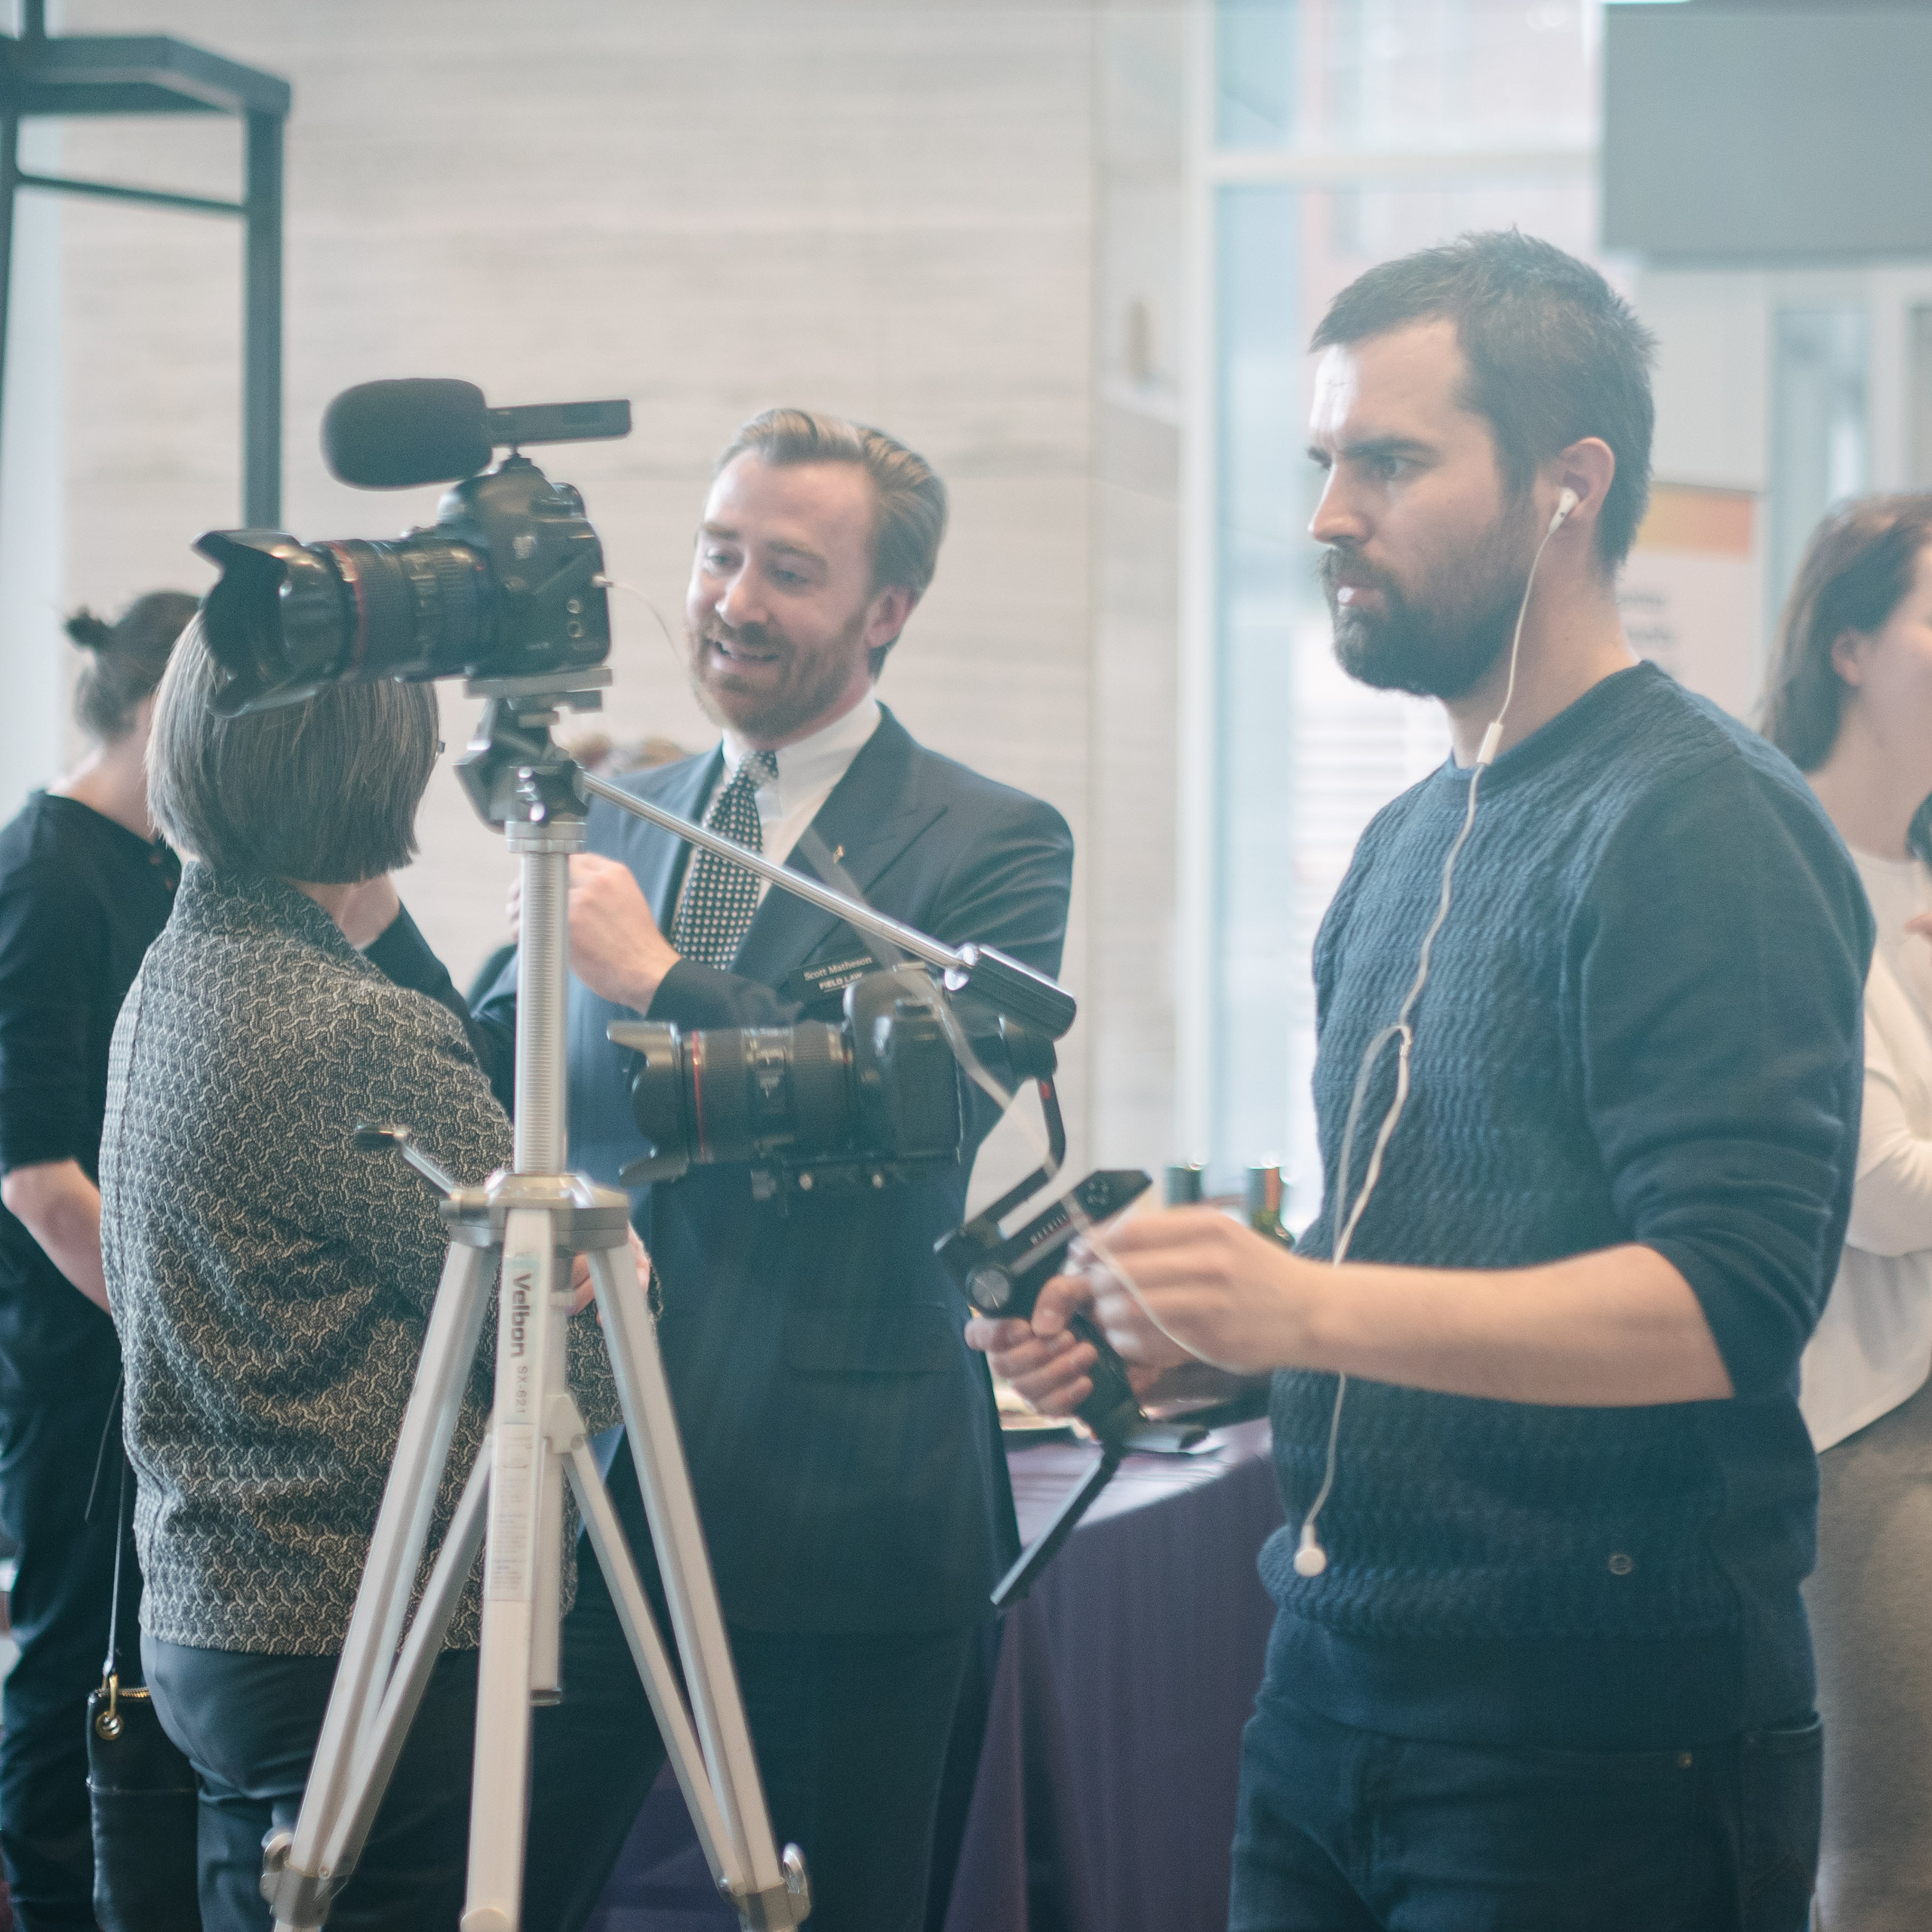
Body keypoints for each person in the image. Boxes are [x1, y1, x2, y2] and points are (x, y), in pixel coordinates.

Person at [974, 232, 1870, 1930]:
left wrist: (1297, 1306)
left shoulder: (1696, 819)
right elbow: (1413, 1264)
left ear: (1564, 485)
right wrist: (1188, 1351)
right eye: (1323, 462)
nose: (1327, 514)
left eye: (1387, 461)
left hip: (1590, 1748)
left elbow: (1723, 1299)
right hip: (1328, 1691)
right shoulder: (1399, 842)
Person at [477, 406, 1075, 1932]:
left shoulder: (995, 842)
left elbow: (923, 1107)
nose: (732, 597)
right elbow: (497, 1062)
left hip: (846, 1515)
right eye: (716, 549)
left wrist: (664, 977)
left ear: (886, 612)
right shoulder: (630, 812)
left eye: (787, 569)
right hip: (598, 1492)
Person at [99, 620, 623, 1930]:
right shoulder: (349, 1037)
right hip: (367, 1634)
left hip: (216, 1617)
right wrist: (628, 1278)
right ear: (383, 774)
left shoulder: (177, 971)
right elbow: (585, 1365)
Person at [0, 592, 195, 1928]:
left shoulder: (153, 864)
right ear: (151, 714)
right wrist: (180, 1326)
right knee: (71, 1649)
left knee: (141, 1654)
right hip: (80, 1349)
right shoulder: (45, 874)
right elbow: (35, 1173)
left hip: (150, 1338)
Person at [1761, 494, 1932, 1930]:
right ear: (1850, 643)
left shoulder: (1918, 879)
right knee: (1888, 1869)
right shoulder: (1783, 862)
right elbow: (1882, 1192)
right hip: (1864, 1430)